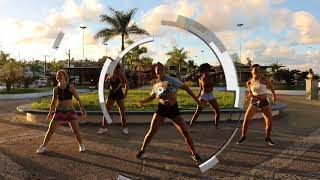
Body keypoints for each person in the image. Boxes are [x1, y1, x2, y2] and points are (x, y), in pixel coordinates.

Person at [136, 62, 202, 162]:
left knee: (185, 132)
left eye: (161, 69)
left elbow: (187, 88)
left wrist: (198, 102)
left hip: (173, 109)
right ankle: (142, 150)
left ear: (164, 70)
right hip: (161, 109)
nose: (159, 71)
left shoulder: (172, 80)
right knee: (151, 131)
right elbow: (153, 96)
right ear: (155, 72)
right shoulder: (156, 84)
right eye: (157, 70)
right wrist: (143, 102)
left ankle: (194, 153)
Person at [36, 70, 87, 153]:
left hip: (70, 112)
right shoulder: (56, 90)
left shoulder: (70, 87)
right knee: (50, 129)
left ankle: (81, 144)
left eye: (60, 75)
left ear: (65, 77)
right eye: (57, 75)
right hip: (59, 112)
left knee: (75, 130)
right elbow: (53, 102)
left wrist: (83, 110)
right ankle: (44, 146)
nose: (58, 76)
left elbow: (78, 100)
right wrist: (50, 112)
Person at [237, 64, 277, 145]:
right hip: (254, 102)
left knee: (269, 121)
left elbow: (271, 86)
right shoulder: (249, 82)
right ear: (251, 71)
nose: (256, 71)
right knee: (246, 120)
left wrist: (274, 95)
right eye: (255, 70)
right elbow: (250, 93)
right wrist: (248, 97)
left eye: (258, 70)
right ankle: (243, 136)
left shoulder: (263, 79)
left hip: (264, 101)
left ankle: (268, 138)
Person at [97, 64, 129, 134]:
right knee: (106, 111)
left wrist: (125, 94)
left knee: (122, 111)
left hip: (119, 93)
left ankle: (124, 127)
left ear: (117, 68)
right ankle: (104, 127)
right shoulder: (109, 75)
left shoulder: (120, 74)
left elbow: (127, 83)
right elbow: (106, 85)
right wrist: (107, 81)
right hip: (111, 93)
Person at [189, 63, 220, 130]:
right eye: (205, 70)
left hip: (211, 95)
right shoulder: (200, 79)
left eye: (208, 69)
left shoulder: (211, 76)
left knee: (217, 111)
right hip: (204, 96)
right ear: (202, 71)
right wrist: (197, 97)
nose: (207, 71)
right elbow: (201, 89)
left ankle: (216, 126)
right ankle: (190, 127)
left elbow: (218, 73)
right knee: (197, 112)